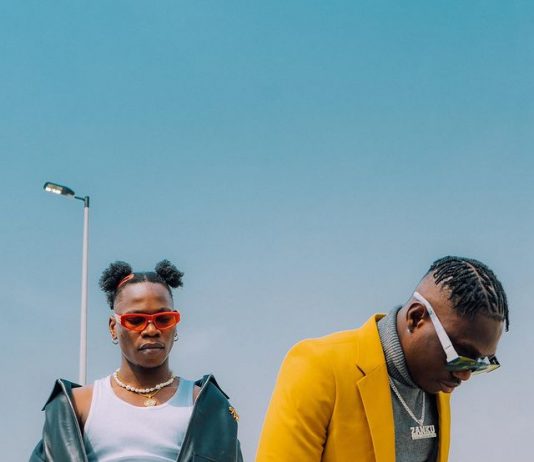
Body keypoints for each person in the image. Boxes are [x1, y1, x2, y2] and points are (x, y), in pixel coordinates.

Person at [256, 256, 509, 462]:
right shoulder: (317, 366)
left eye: (478, 364)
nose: (464, 375)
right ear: (416, 318)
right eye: (459, 357)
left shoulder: (438, 385)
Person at [31, 259, 243, 462]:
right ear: (113, 327)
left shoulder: (205, 404)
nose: (151, 330)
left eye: (164, 319)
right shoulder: (79, 404)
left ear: (175, 325)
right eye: (135, 320)